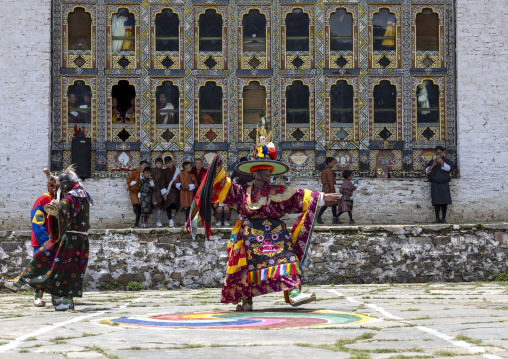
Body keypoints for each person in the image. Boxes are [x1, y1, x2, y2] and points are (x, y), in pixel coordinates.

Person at [187, 119, 341, 311]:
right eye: (265, 172)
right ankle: (247, 301)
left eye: (270, 172)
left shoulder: (278, 190)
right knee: (245, 267)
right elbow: (223, 186)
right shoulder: (242, 192)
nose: (269, 175)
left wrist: (322, 198)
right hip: (250, 233)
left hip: (276, 233)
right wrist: (216, 169)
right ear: (256, 173)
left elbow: (298, 197)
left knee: (288, 258)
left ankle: (293, 293)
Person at [3, 165, 93, 311]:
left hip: (70, 239)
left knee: (63, 269)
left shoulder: (73, 196)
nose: (59, 188)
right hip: (70, 238)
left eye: (59, 185)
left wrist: (56, 207)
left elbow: (63, 205)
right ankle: (24, 285)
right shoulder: (80, 194)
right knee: (53, 264)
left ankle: (62, 300)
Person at [25, 168, 58, 307]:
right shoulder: (42, 200)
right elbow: (37, 223)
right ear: (48, 186)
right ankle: (37, 297)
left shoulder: (59, 202)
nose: (54, 189)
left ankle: (55, 296)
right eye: (52, 186)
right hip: (42, 242)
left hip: (55, 242)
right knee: (40, 268)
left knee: (54, 269)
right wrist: (46, 242)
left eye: (57, 187)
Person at [425, 146, 452, 223]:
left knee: (444, 202)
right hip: (435, 184)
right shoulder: (432, 162)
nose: (439, 154)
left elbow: (449, 169)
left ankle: (443, 218)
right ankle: (437, 218)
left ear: (444, 153)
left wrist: (442, 163)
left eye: (440, 152)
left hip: (444, 183)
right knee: (436, 202)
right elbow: (427, 171)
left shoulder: (447, 161)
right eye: (438, 153)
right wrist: (433, 165)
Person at [317, 157, 340, 225]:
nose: (334, 164)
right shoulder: (329, 171)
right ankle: (318, 217)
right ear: (329, 163)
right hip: (329, 190)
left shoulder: (324, 171)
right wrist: (332, 191)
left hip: (325, 189)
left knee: (333, 204)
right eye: (333, 163)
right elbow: (331, 182)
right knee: (327, 204)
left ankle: (335, 218)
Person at [127, 160, 148, 228]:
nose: (145, 167)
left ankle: (139, 224)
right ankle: (136, 224)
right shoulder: (135, 173)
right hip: (134, 193)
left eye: (147, 166)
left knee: (142, 209)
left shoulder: (146, 174)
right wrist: (136, 181)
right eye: (144, 165)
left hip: (142, 193)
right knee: (136, 207)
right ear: (140, 166)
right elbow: (129, 182)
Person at [162, 156, 180, 228]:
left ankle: (172, 217)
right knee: (168, 205)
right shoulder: (165, 172)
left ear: (172, 162)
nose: (169, 164)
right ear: (165, 165)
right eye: (167, 163)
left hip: (175, 190)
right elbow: (162, 182)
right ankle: (170, 220)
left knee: (174, 205)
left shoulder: (177, 170)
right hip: (167, 190)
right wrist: (164, 193)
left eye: (170, 162)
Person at [151, 158, 165, 227]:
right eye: (157, 163)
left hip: (160, 189)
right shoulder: (152, 170)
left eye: (160, 163)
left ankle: (158, 220)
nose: (159, 165)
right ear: (155, 164)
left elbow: (163, 182)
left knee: (159, 204)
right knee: (155, 203)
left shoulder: (163, 171)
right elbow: (151, 178)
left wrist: (164, 193)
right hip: (154, 188)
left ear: (162, 164)